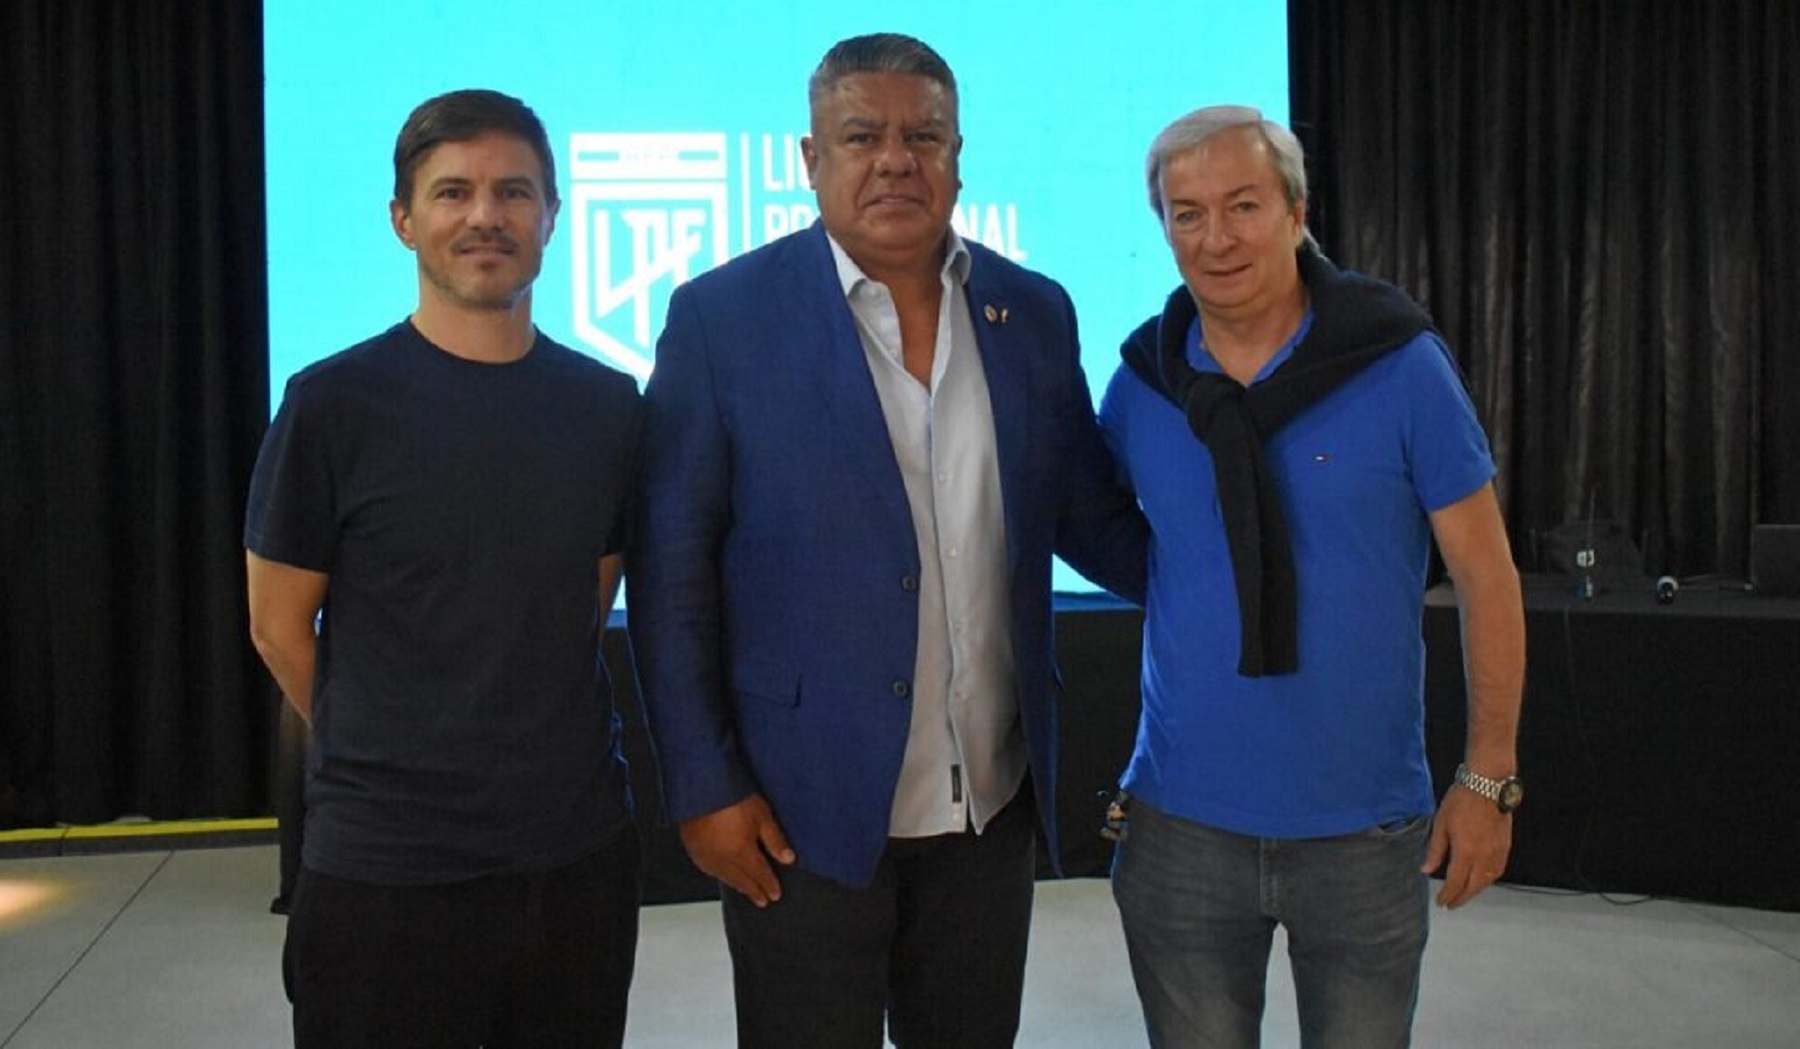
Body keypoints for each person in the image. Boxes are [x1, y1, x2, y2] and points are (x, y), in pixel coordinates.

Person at [628, 32, 1146, 1049]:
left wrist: (1248, 570)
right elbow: (672, 569)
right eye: (861, 135)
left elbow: (1088, 515)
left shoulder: (1031, 313)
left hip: (987, 802)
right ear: (811, 159)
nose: (896, 159)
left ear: (960, 155)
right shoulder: (721, 319)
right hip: (797, 804)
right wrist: (702, 782)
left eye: (925, 136)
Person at [1100, 105, 1526, 1047]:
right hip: (1179, 830)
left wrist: (1489, 774)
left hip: (1366, 834)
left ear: (1296, 212)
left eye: (1244, 205)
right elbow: (1123, 542)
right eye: (1187, 213)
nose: (1217, 238)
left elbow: (1487, 575)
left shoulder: (1399, 363)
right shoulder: (1142, 387)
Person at [244, 89, 642, 1047]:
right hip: (384, 867)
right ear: (403, 219)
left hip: (575, 856)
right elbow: (276, 624)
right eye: (452, 191)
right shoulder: (332, 404)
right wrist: (392, 744)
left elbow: (584, 601)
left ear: (552, 215)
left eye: (513, 191)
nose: (484, 215)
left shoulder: (607, 406)